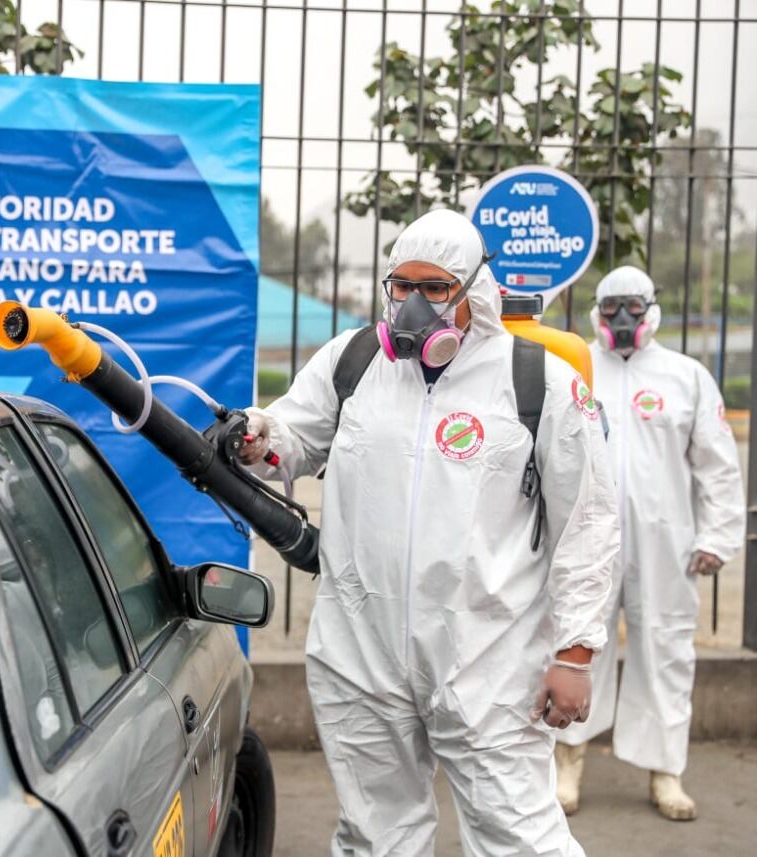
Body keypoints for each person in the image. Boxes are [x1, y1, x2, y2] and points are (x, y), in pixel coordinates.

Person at [241, 209, 618, 856]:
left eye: (436, 288)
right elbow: (292, 436)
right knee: (373, 834)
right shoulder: (355, 360)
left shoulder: (539, 382)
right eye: (401, 285)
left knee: (517, 836)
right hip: (362, 653)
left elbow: (589, 522)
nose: (414, 304)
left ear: (475, 288)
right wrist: (257, 436)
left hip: (490, 660)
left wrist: (576, 652)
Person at [554, 266, 744, 821]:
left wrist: (716, 535)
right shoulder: (576, 368)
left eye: (632, 308)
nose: (621, 318)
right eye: (612, 307)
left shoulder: (685, 377)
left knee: (666, 651)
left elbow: (718, 466)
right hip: (588, 541)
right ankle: (569, 762)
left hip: (667, 545)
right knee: (576, 643)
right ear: (597, 310)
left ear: (651, 310)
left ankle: (667, 772)